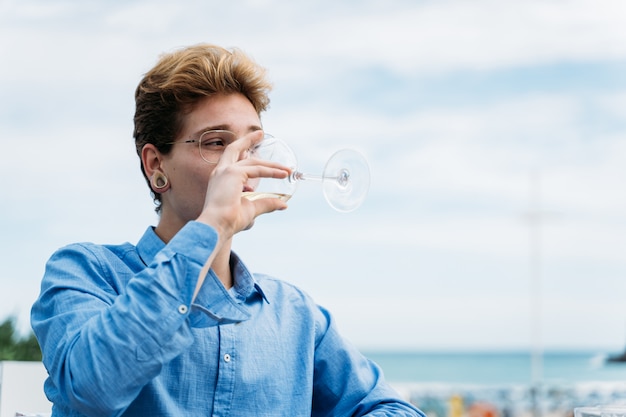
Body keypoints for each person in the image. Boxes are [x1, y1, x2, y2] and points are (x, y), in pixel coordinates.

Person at [31, 43, 424, 417]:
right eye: (216, 143)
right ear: (156, 166)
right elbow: (92, 389)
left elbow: (393, 409)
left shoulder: (297, 315)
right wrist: (212, 224)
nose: (241, 165)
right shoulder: (86, 271)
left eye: (251, 147)